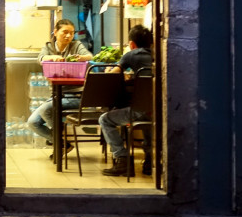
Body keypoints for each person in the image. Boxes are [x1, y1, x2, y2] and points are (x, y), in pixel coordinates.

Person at [27, 19, 93, 154]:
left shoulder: (76, 45)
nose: (69, 36)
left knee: (46, 110)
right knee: (33, 122)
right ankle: (63, 143)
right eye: (65, 32)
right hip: (57, 95)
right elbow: (40, 58)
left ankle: (58, 142)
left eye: (72, 33)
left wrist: (80, 57)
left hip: (76, 95)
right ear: (56, 32)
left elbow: (89, 56)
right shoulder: (49, 46)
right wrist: (52, 57)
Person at [99, 24, 155, 176]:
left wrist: (110, 70)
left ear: (131, 44)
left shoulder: (131, 55)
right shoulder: (159, 55)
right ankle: (150, 160)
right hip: (159, 110)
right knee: (147, 111)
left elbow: (113, 75)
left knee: (105, 119)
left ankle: (122, 158)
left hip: (140, 111)